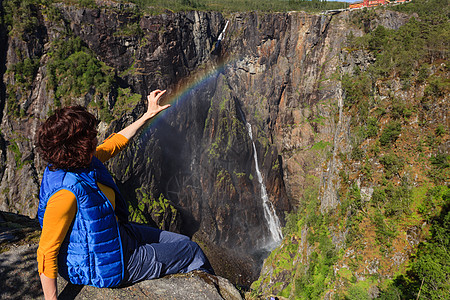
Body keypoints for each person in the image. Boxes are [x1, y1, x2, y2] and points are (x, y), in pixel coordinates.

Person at [36, 90, 214, 300]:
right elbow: (46, 252)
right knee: (191, 251)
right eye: (91, 136)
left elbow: (114, 145)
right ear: (79, 146)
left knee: (182, 241)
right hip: (108, 265)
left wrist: (147, 115)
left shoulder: (77, 163)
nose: (96, 138)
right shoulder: (66, 193)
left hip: (116, 238)